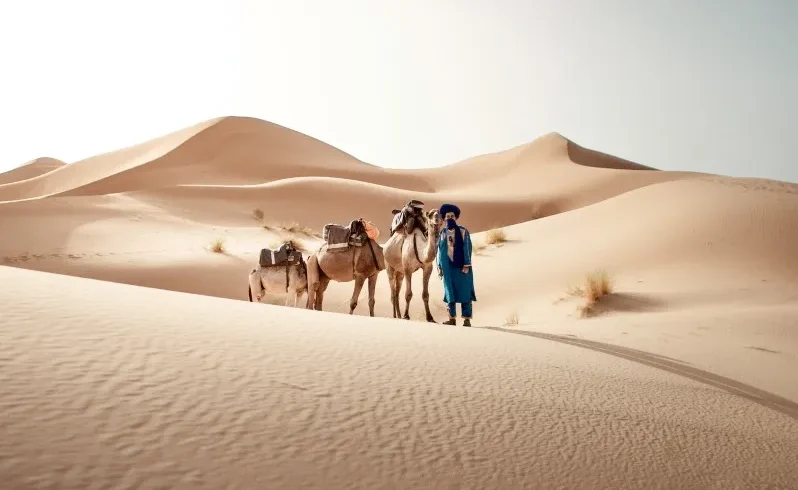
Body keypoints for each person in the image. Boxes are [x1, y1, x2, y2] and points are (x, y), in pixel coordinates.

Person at [436, 203, 476, 326]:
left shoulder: (464, 231)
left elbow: (467, 247)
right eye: (447, 216)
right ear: (444, 218)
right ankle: (451, 318)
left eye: (452, 216)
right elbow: (439, 250)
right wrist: (439, 266)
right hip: (447, 267)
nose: (449, 218)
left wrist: (466, 265)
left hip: (462, 267)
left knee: (465, 292)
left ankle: (467, 319)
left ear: (456, 217)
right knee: (449, 292)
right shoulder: (442, 233)